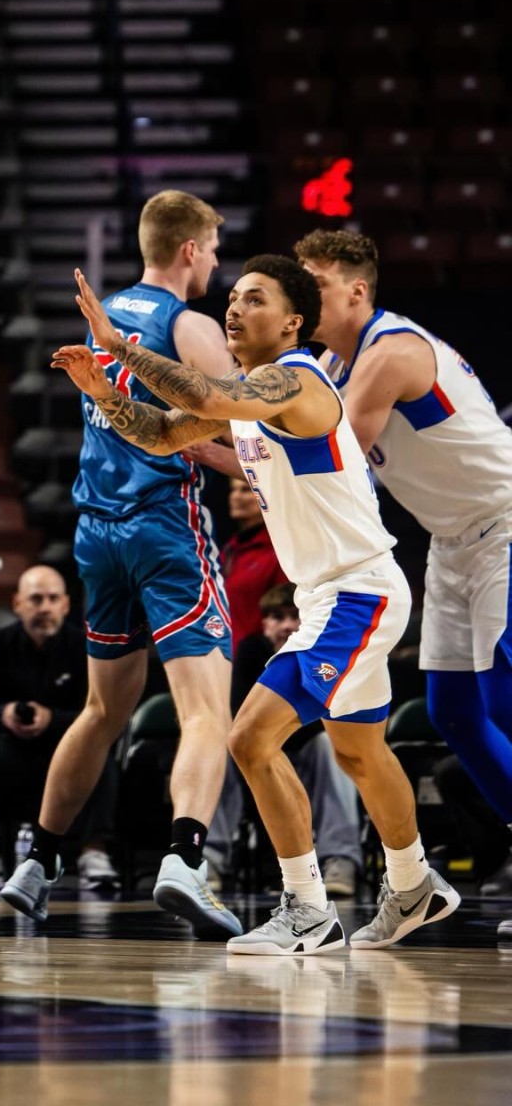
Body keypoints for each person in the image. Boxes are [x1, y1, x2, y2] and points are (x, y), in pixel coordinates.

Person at [59, 254, 460, 954]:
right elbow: (162, 433)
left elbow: (205, 396)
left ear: (293, 321)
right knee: (360, 751)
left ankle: (307, 909)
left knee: (249, 738)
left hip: (356, 592)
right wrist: (104, 394)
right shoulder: (249, 401)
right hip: (331, 594)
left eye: (254, 299)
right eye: (234, 297)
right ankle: (414, 886)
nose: (234, 308)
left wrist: (119, 346)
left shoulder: (296, 379)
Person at [1, 190, 243, 937]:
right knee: (206, 711)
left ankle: (38, 860)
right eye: (213, 249)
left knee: (103, 710)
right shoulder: (189, 325)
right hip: (163, 525)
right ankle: (186, 860)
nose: (215, 264)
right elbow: (239, 420)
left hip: (96, 530)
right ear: (190, 249)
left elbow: (122, 413)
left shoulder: (103, 314)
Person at [294, 228, 512, 940]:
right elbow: (296, 460)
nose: (301, 298)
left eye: (315, 285)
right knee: (454, 713)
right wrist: (210, 444)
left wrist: (226, 437)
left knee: (504, 699)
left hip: (505, 522)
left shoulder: (389, 351)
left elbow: (333, 462)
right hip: (451, 542)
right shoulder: (333, 362)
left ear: (357, 290)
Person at [206, 583, 364, 899]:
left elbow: (330, 717)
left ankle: (340, 858)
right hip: (254, 759)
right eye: (278, 617)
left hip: (306, 758)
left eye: (295, 616)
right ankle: (209, 857)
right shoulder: (251, 650)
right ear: (265, 623)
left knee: (328, 744)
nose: (288, 625)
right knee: (223, 744)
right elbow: (239, 717)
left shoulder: (322, 650)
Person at [0, 564, 118, 884]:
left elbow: (99, 712)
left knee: (100, 752)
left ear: (65, 605)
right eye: (36, 599)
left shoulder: (84, 647)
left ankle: (94, 852)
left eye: (53, 599)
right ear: (17, 603)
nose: (45, 608)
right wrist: (5, 713)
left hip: (66, 745)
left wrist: (51, 718)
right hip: (12, 749)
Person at [221, 475, 289, 651]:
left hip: (262, 656)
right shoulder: (229, 550)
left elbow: (286, 610)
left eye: (245, 490)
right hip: (226, 653)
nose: (236, 496)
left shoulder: (279, 550)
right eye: (233, 490)